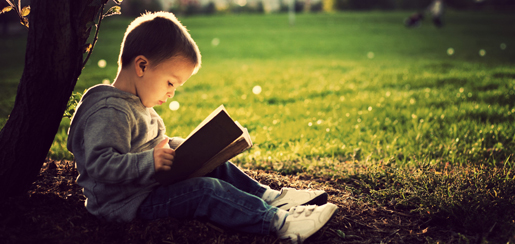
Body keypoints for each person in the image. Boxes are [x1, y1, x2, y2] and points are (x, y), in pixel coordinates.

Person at [67, 11, 338, 243]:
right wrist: (149, 162)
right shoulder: (110, 110)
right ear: (142, 65)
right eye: (170, 83)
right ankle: (282, 224)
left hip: (148, 187)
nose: (171, 93)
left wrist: (178, 148)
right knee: (205, 191)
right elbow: (99, 164)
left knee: (214, 163)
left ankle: (272, 198)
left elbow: (150, 145)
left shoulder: (137, 103)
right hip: (128, 204)